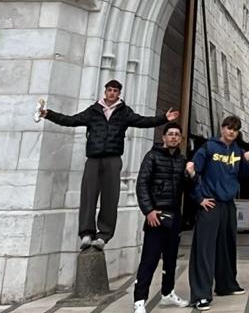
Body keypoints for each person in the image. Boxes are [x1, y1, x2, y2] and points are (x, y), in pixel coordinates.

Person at [39, 79, 178, 250]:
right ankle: (86, 233)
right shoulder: (93, 111)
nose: (112, 93)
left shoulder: (124, 112)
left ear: (119, 94)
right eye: (109, 90)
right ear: (105, 92)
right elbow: (70, 120)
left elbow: (143, 121)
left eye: (115, 91)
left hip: (113, 159)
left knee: (110, 198)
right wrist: (48, 114)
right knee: (88, 195)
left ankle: (104, 235)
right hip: (93, 158)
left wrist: (164, 118)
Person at [185, 115, 249, 310]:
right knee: (204, 249)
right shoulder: (208, 148)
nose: (231, 132)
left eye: (235, 129)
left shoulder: (238, 151)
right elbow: (192, 173)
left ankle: (226, 284)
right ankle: (201, 295)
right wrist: (199, 198)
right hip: (210, 203)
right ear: (222, 128)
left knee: (227, 246)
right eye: (229, 128)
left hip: (228, 204)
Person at [132, 123, 193, 313]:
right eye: (170, 134)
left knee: (171, 258)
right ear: (164, 137)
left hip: (174, 216)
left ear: (181, 139)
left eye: (177, 135)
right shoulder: (152, 157)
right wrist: (148, 210)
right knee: (149, 260)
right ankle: (139, 302)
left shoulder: (182, 160)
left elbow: (188, 188)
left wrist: (191, 174)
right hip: (156, 215)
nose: (174, 137)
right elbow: (142, 184)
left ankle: (167, 293)